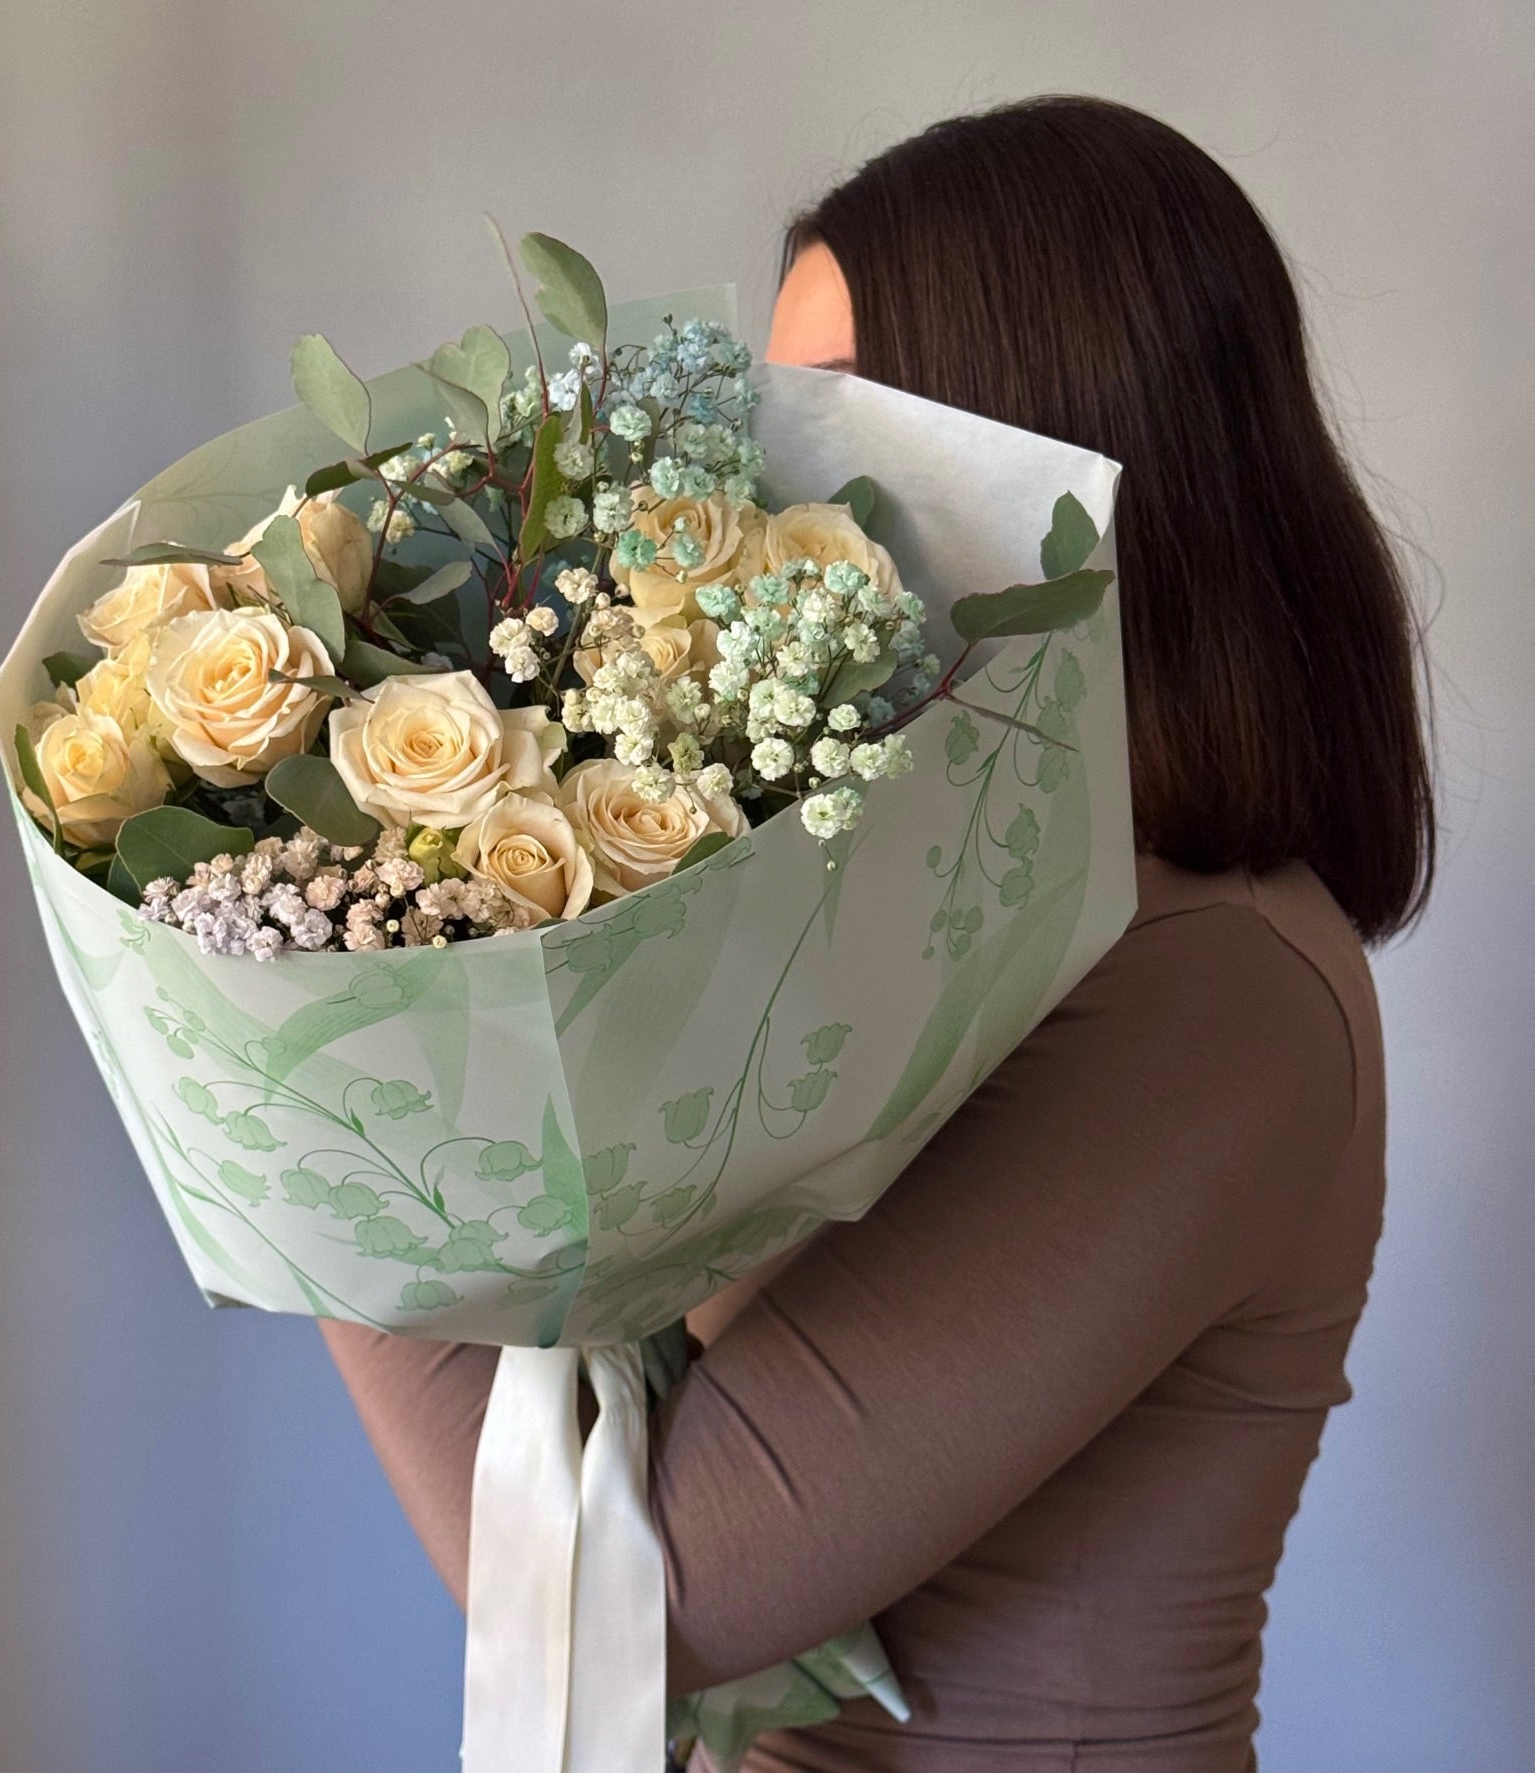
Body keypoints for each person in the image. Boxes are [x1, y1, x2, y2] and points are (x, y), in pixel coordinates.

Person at [320, 96, 1436, 1772]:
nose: (780, 493)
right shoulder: (923, 911)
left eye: (842, 422)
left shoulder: (1214, 992)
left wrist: (333, 1069)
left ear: (1064, 447)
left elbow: (651, 1597)